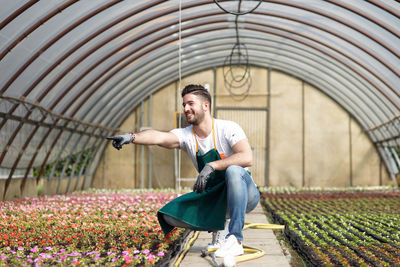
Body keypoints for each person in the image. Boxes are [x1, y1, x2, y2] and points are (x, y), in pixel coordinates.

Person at [107, 84, 260, 258]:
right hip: (214, 198)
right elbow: (159, 137)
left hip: (245, 195)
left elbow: (247, 157)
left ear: (205, 105)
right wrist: (131, 137)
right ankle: (218, 226)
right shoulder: (187, 135)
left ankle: (235, 239)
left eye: (190, 103)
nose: (186, 108)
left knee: (233, 170)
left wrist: (212, 165)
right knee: (169, 215)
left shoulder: (227, 128)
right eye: (184, 105)